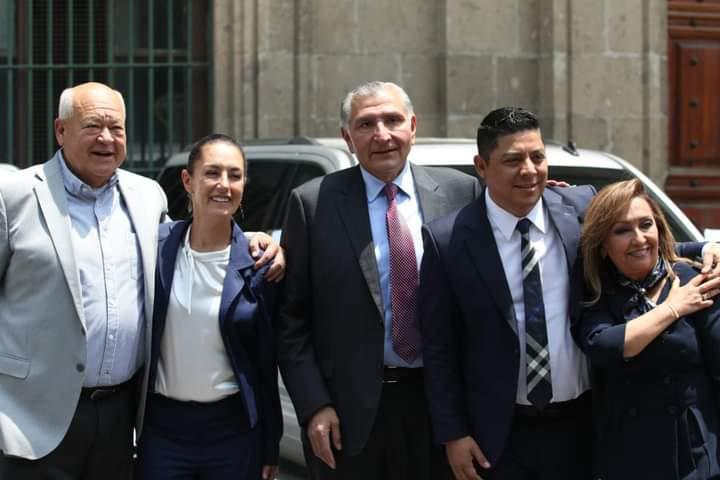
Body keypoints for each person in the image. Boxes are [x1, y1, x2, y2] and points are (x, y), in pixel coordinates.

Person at [418, 107, 720, 480]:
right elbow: (439, 347)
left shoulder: (579, 209)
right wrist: (454, 433)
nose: (529, 170)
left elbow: (638, 242)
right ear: (482, 166)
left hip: (586, 426)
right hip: (499, 434)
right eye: (513, 160)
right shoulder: (447, 240)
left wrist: (704, 249)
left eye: (537, 157)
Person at [0, 82, 283, 479]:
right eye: (93, 126)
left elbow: (194, 241)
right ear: (60, 131)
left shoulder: (147, 197)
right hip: (32, 420)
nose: (106, 138)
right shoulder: (12, 195)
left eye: (116, 128)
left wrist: (251, 239)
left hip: (121, 421)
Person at [278, 81, 480, 479]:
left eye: (392, 120)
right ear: (347, 137)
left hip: (440, 409)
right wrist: (314, 405)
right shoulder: (313, 203)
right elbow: (291, 322)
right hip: (347, 417)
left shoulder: (462, 192)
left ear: (413, 126)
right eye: (367, 124)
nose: (382, 135)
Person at [136, 134, 282, 480]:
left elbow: (267, 363)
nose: (224, 185)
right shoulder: (154, 247)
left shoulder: (259, 263)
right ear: (188, 181)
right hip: (162, 434)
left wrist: (270, 444)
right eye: (212, 173)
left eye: (235, 175)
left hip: (232, 434)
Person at [578, 179, 720, 479]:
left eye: (646, 225)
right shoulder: (596, 292)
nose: (639, 238)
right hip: (627, 457)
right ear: (603, 245)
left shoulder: (692, 278)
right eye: (622, 230)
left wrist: (709, 246)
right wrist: (673, 308)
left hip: (695, 455)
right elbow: (605, 346)